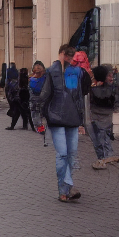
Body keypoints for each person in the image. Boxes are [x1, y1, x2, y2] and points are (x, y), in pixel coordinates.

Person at [40, 45, 91, 202]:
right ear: (61, 54)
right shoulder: (51, 71)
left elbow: (80, 94)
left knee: (71, 153)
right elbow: (45, 95)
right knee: (62, 153)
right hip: (55, 118)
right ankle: (66, 188)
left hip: (72, 118)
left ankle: (65, 190)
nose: (69, 58)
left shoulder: (75, 72)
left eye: (72, 56)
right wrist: (41, 116)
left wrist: (84, 72)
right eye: (67, 55)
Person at [88, 65, 119, 169]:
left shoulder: (92, 90)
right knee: (106, 136)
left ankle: (101, 159)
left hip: (96, 117)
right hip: (107, 116)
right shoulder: (112, 89)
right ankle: (109, 154)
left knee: (97, 139)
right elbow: (115, 101)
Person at [29, 61, 48, 144]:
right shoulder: (32, 78)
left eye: (39, 69)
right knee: (36, 114)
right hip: (35, 99)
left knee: (40, 114)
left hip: (42, 99)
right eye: (36, 69)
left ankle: (42, 128)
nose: (38, 70)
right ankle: (40, 128)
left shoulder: (46, 77)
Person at [4, 63, 19, 130]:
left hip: (12, 92)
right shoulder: (17, 72)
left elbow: (7, 80)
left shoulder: (9, 71)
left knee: (15, 109)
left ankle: (12, 125)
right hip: (17, 93)